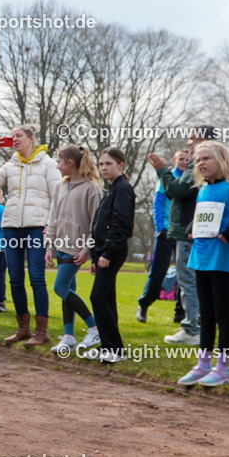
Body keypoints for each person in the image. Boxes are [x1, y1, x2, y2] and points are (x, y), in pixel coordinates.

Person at [175, 142, 229, 387]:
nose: (200, 163)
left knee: (223, 313)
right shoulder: (202, 191)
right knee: (206, 313)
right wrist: (193, 229)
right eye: (197, 160)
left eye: (206, 158)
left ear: (222, 160)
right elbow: (204, 216)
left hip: (221, 259)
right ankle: (203, 364)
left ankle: (224, 368)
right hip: (200, 257)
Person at [0, 125, 61, 346]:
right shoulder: (10, 165)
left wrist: (51, 224)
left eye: (18, 136)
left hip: (37, 227)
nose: (14, 139)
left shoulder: (48, 164)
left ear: (31, 138)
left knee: (37, 277)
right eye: (12, 136)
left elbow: (58, 195)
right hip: (11, 227)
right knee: (15, 279)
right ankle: (23, 329)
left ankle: (42, 332)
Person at [149, 126, 218, 345]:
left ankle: (192, 330)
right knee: (194, 282)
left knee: (188, 281)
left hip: (189, 231)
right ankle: (196, 328)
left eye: (192, 139)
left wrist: (162, 170)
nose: (189, 143)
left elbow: (177, 190)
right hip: (195, 229)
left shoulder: (199, 163)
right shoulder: (210, 163)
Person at [45, 145, 102, 353]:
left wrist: (87, 249)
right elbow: (53, 217)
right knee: (69, 290)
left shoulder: (92, 188)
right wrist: (49, 245)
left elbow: (96, 224)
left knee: (60, 288)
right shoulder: (61, 185)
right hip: (60, 245)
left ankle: (95, 328)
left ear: (70, 163)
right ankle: (69, 336)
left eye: (60, 162)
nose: (58, 167)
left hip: (76, 248)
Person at [88, 148, 135, 364]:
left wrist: (107, 253)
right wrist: (95, 256)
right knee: (107, 298)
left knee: (97, 297)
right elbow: (100, 223)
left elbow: (122, 225)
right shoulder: (112, 189)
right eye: (102, 164)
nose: (104, 168)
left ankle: (116, 349)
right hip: (101, 252)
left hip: (112, 251)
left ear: (121, 165)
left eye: (109, 164)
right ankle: (107, 345)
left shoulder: (123, 189)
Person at [137, 149, 190, 322]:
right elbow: (158, 203)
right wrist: (159, 227)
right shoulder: (166, 177)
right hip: (166, 230)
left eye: (187, 160)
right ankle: (144, 305)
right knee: (159, 271)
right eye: (181, 159)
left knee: (184, 273)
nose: (184, 162)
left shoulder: (191, 178)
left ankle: (180, 312)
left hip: (184, 232)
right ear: (175, 159)